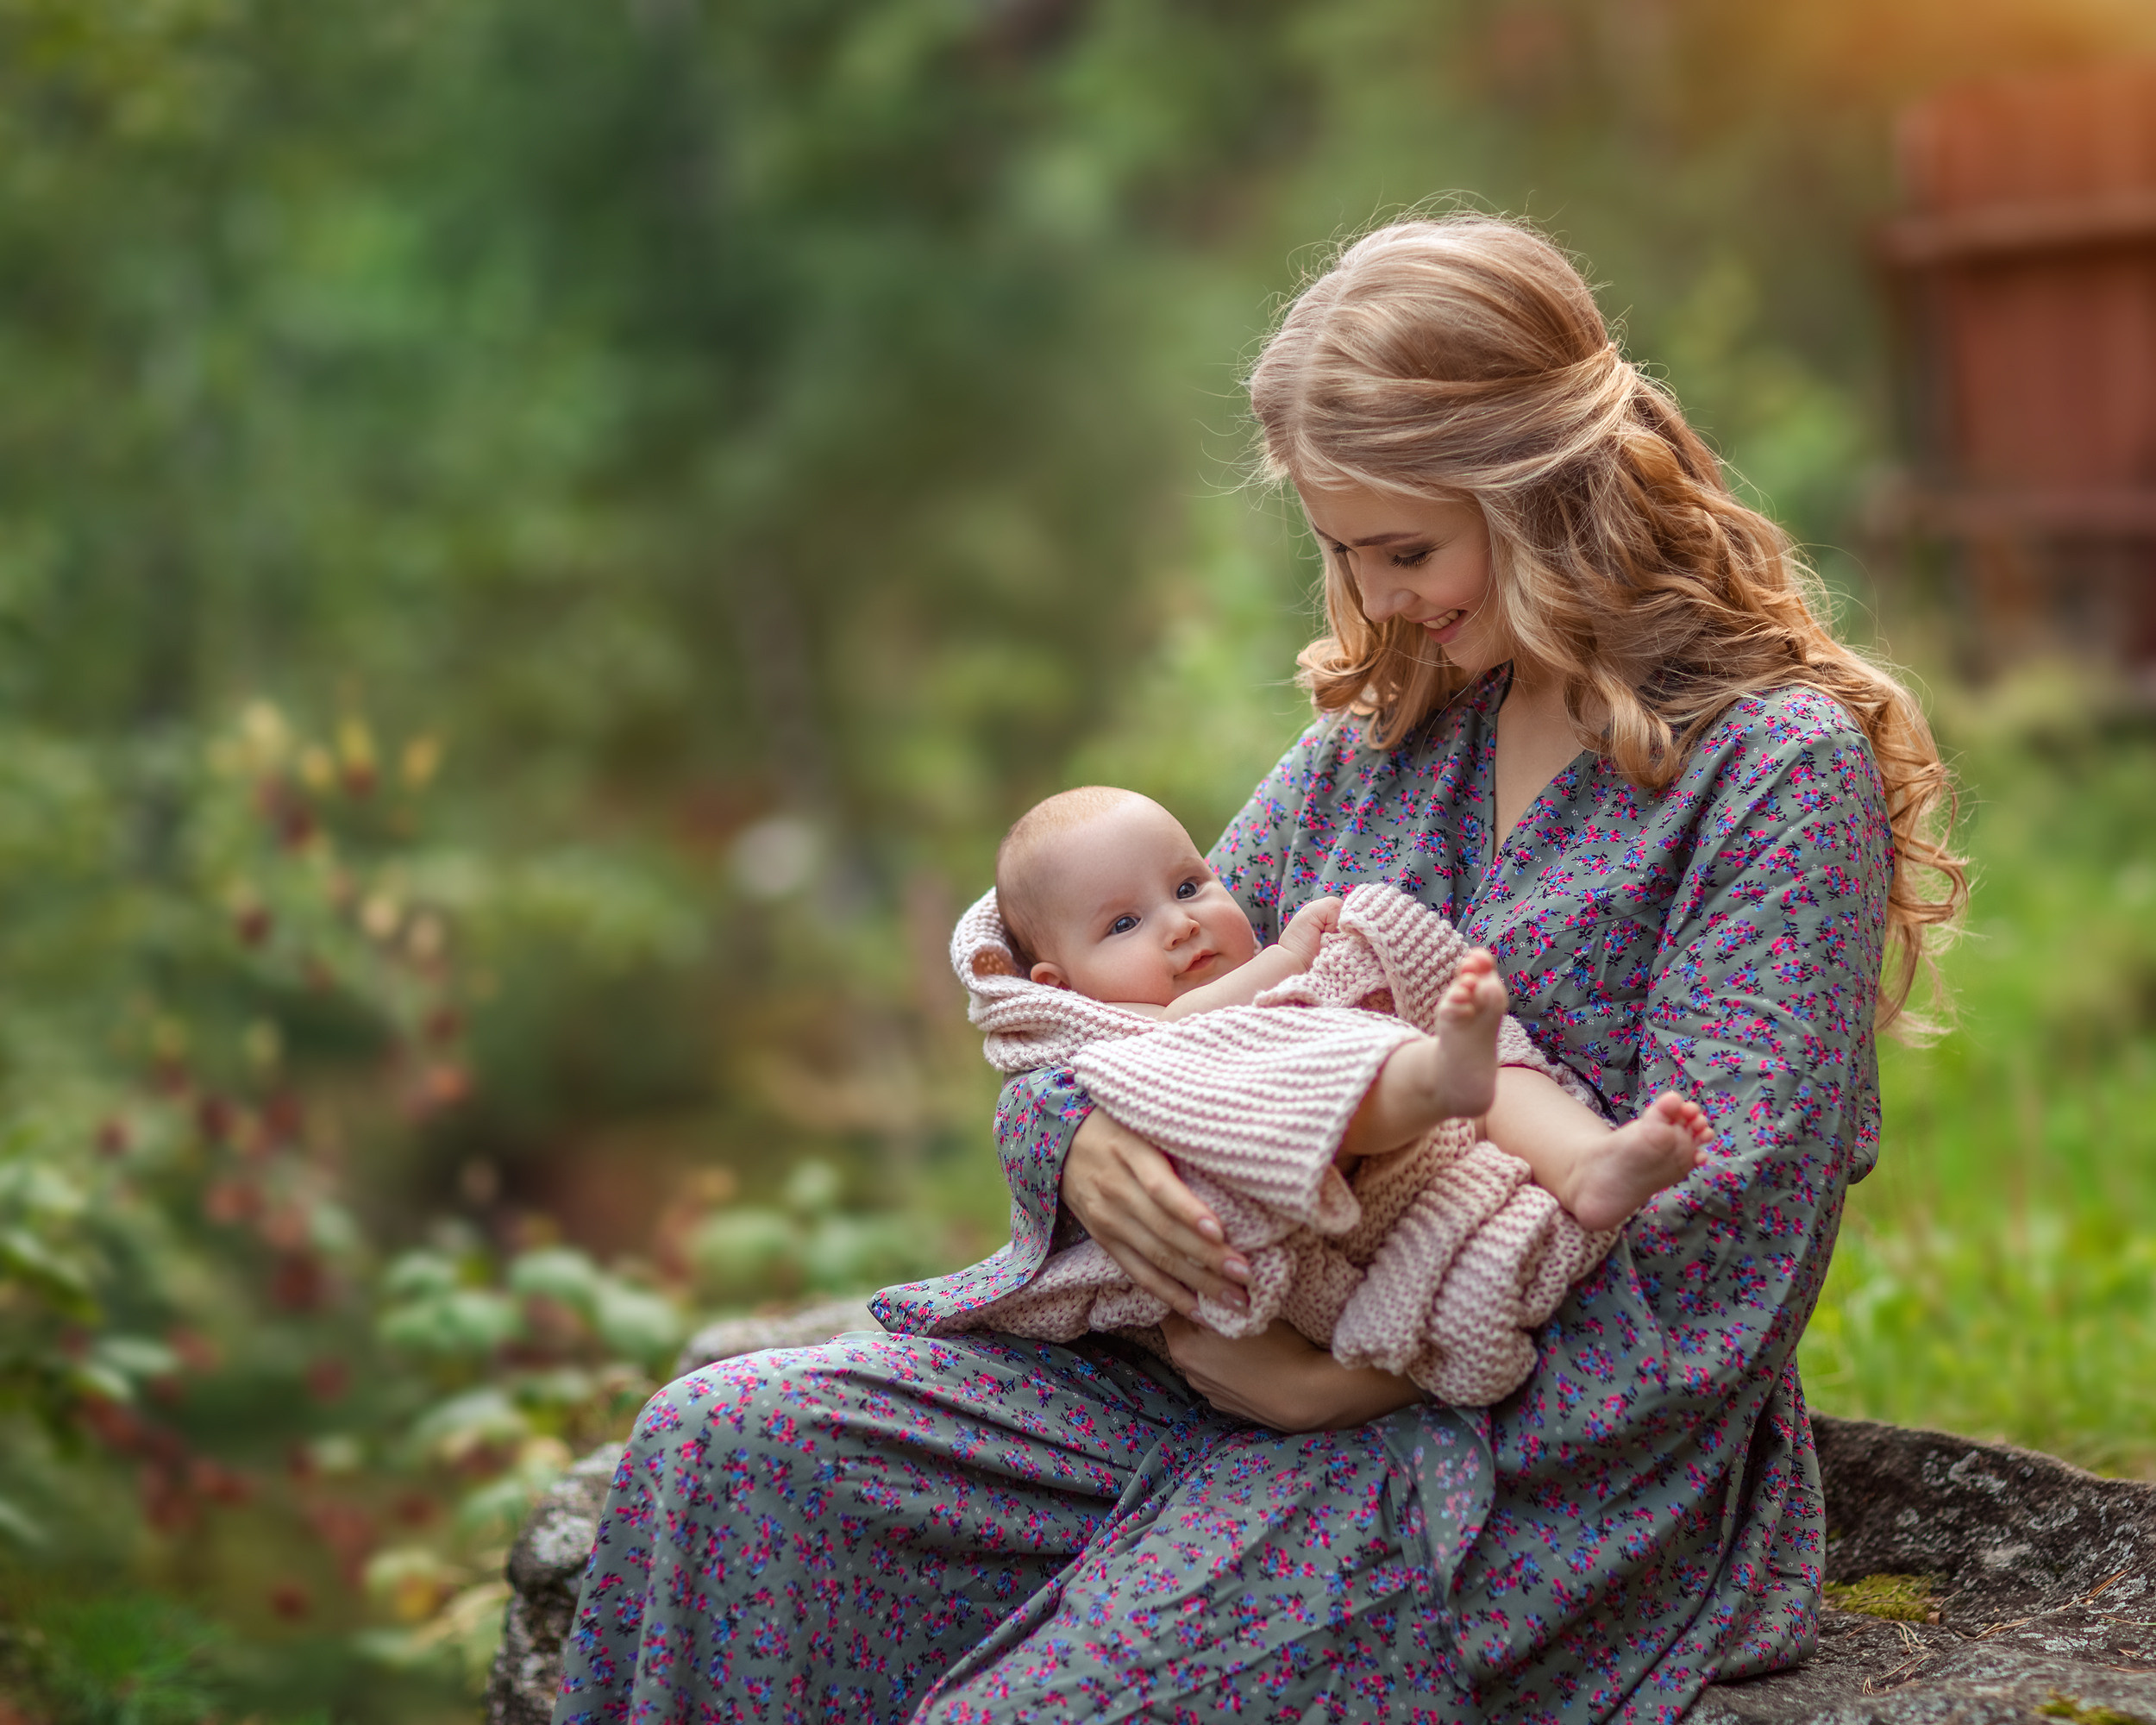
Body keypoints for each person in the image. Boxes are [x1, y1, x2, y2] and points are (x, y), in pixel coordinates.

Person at [550, 212, 1965, 1725]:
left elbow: (1719, 1258)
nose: (1378, 600)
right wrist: (1071, 1140)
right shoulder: (1383, 742)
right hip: (1196, 1377)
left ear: (1542, 486)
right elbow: (1115, 1017)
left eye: (1407, 550)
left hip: (1515, 1459)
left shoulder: (1767, 773)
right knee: (723, 1449)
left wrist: (1344, 1391)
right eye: (1343, 554)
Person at [987, 782, 1708, 1232]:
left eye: (1187, 888)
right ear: (1060, 985)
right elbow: (1184, 1025)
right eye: (1124, 924)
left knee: (1507, 1069)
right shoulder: (1107, 1027)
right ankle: (1441, 1076)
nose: (1180, 924)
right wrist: (1286, 958)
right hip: (1301, 1133)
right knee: (1344, 1070)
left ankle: (1586, 1162)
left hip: (1414, 1105)